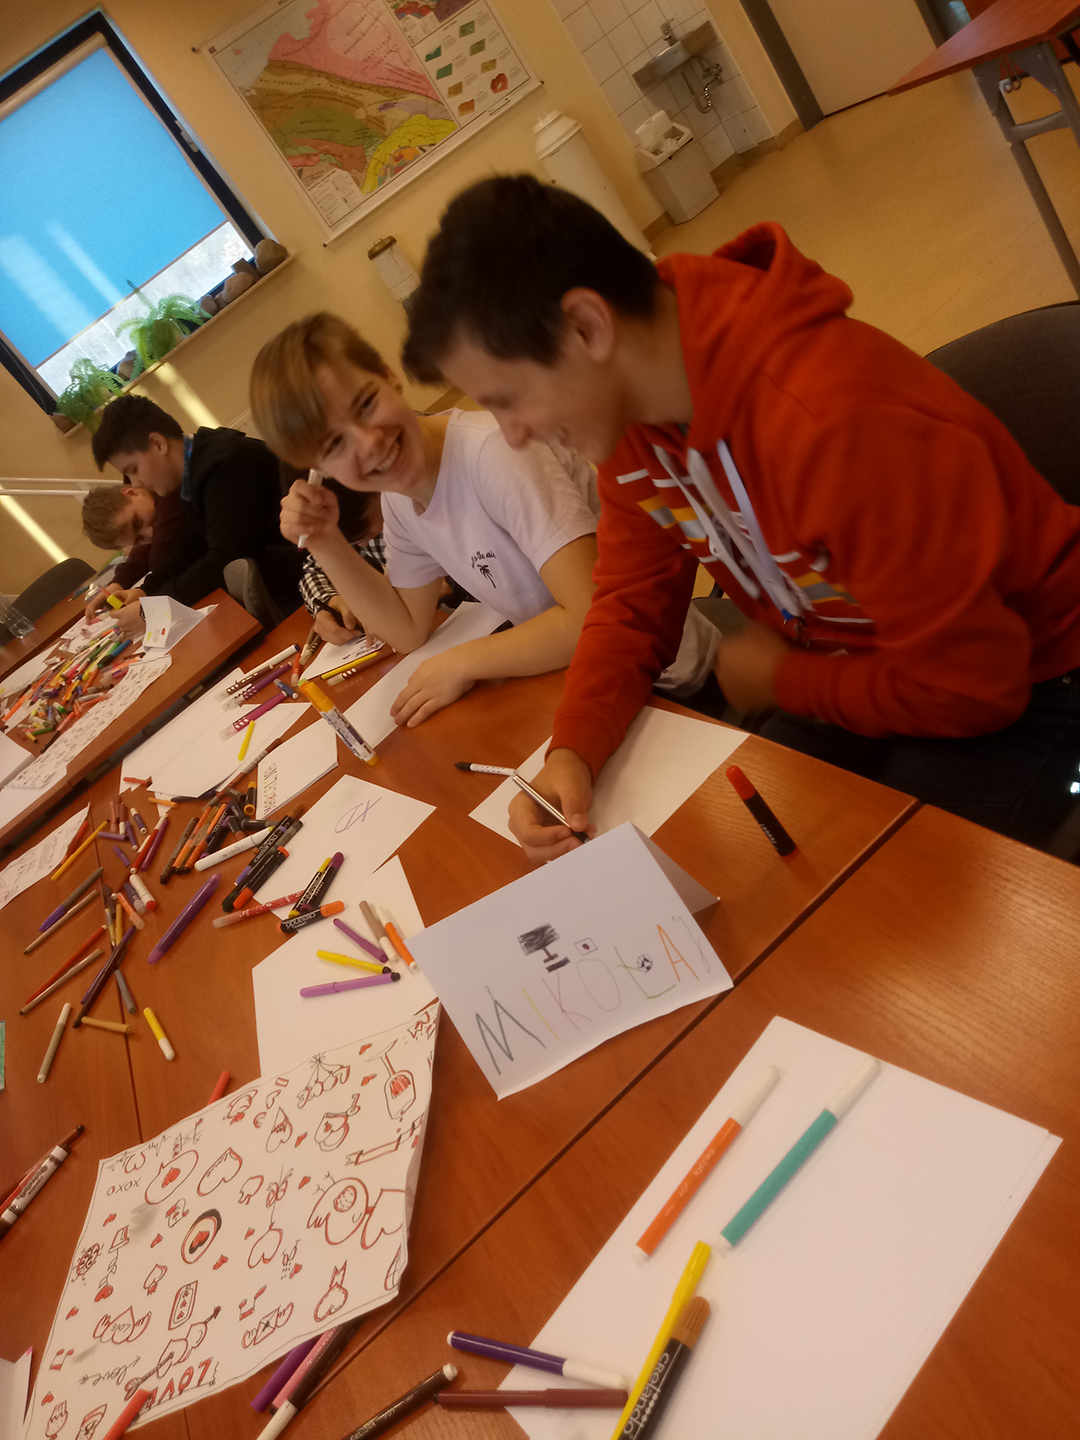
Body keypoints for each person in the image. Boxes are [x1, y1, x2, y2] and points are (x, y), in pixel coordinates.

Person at [400, 174, 1080, 858]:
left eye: (509, 398)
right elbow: (631, 602)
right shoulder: (629, 417)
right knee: (752, 861)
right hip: (851, 661)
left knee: (887, 892)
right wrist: (572, 750)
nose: (513, 434)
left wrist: (785, 681)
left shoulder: (829, 424)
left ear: (587, 327)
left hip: (1029, 681)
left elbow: (974, 688)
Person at [250, 314, 717, 727]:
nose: (369, 441)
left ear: (389, 376)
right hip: (586, 687)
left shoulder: (494, 455)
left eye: (366, 403)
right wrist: (325, 541)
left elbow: (593, 616)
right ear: (320, 469)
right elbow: (406, 628)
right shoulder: (398, 499)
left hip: (672, 684)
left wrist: (465, 661)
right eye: (335, 445)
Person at [89, 395, 303, 631]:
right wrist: (146, 590)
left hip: (302, 585)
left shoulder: (223, 466)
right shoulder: (195, 465)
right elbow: (193, 543)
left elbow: (225, 559)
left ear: (158, 444)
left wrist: (151, 611)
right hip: (282, 582)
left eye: (133, 470)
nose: (136, 483)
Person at [80, 482, 199, 622]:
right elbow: (144, 551)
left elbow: (161, 562)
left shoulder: (169, 493)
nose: (151, 532)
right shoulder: (152, 513)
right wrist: (118, 585)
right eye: (140, 539)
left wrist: (145, 605)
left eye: (137, 522)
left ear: (131, 493)